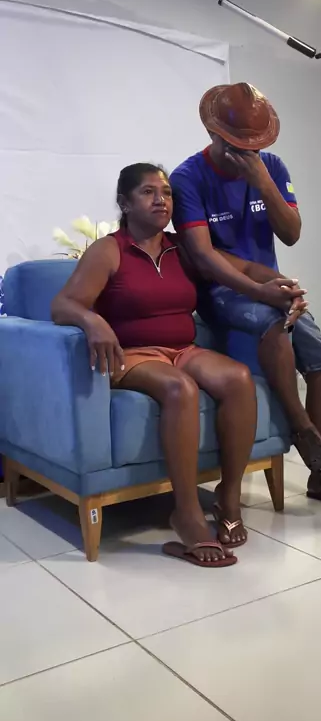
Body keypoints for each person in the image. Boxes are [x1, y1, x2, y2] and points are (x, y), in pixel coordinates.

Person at [51, 163, 277, 568]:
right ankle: (186, 513)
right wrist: (92, 320)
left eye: (167, 193)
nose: (161, 200)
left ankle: (228, 497)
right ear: (125, 203)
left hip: (182, 348)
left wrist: (276, 282)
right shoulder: (110, 250)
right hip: (132, 354)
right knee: (179, 388)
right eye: (148, 192)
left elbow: (238, 268)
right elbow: (63, 304)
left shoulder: (182, 247)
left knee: (238, 378)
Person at [170, 82, 321, 511]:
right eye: (238, 144)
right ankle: (302, 428)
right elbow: (203, 257)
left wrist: (263, 182)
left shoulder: (270, 167)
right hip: (222, 292)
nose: (249, 151)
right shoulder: (187, 178)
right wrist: (260, 291)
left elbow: (291, 234)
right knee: (274, 326)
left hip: (269, 286)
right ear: (214, 134)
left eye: (256, 145)